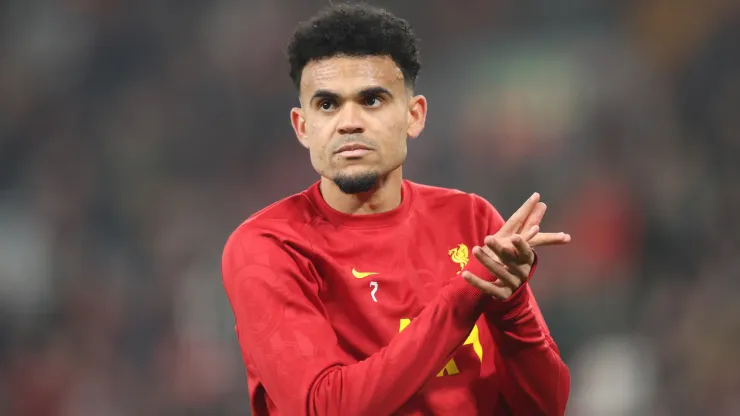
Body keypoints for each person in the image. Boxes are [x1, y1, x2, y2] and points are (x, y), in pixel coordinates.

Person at [221, 3, 572, 415]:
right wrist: (467, 293)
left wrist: (512, 311)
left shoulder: (471, 220)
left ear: (414, 115)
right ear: (303, 127)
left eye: (371, 100)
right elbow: (325, 408)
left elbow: (546, 407)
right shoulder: (268, 247)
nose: (348, 122)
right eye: (328, 105)